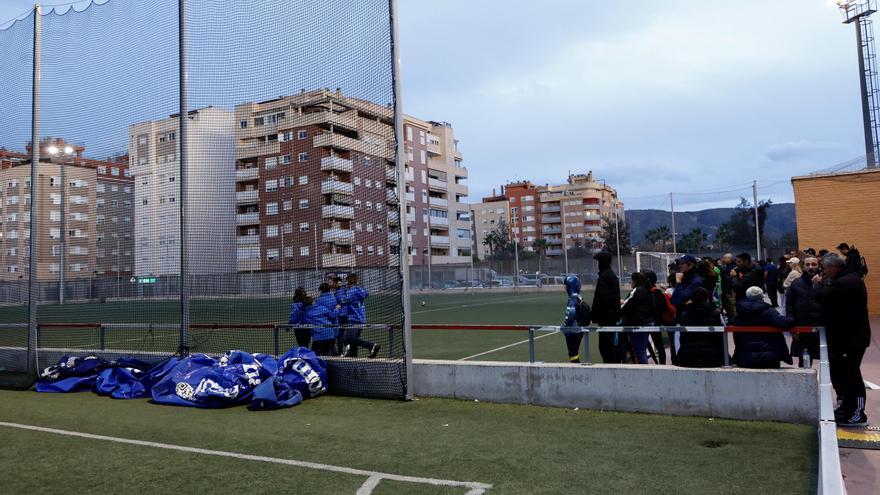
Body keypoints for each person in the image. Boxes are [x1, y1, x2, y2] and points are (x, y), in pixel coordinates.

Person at [813, 253, 871, 427]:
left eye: (824, 268)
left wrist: (817, 285)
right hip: (844, 337)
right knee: (843, 375)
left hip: (851, 339)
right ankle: (847, 407)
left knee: (851, 375)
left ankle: (858, 413)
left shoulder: (847, 282)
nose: (823, 272)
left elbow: (822, 297)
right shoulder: (845, 279)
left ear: (833, 267)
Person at [732, 286, 794, 369]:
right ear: (762, 297)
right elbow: (784, 323)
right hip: (768, 358)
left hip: (744, 358)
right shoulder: (768, 311)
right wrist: (792, 315)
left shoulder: (740, 313)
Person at [676, 287, 725, 368]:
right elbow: (720, 338)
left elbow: (682, 338)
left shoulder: (684, 315)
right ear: (706, 298)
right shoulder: (716, 314)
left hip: (688, 357)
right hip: (712, 358)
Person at [785, 257, 820, 367]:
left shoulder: (824, 282)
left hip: (820, 328)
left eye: (814, 264)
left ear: (818, 266)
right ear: (803, 266)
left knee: (826, 359)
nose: (810, 267)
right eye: (808, 264)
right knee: (804, 360)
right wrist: (792, 326)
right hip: (801, 328)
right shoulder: (796, 283)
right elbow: (789, 305)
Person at [338, 273, 381, 358]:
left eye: (348, 280)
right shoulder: (359, 289)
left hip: (354, 318)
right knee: (353, 340)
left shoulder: (352, 291)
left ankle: (371, 346)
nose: (347, 282)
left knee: (348, 338)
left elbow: (342, 300)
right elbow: (366, 293)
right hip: (360, 318)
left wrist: (339, 292)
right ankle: (352, 356)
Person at [591, 252, 622, 363]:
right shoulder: (610, 275)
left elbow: (602, 300)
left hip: (606, 319)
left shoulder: (605, 277)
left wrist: (594, 315)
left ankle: (611, 370)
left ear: (601, 263)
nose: (597, 264)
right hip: (610, 317)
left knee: (606, 348)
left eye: (598, 262)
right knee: (609, 346)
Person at [620, 272, 655, 364]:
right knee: (641, 351)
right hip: (646, 322)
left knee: (640, 352)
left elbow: (627, 306)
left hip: (638, 324)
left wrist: (620, 308)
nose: (630, 282)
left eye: (631, 280)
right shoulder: (647, 290)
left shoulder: (637, 291)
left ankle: (644, 374)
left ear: (635, 281)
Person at [644, 270, 675, 365]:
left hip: (655, 322)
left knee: (659, 345)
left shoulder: (655, 293)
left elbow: (660, 308)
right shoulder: (654, 292)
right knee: (658, 345)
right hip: (655, 321)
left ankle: (662, 365)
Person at [561, 275, 592, 363]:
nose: (564, 287)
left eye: (565, 284)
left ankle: (577, 370)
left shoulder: (572, 299)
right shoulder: (579, 297)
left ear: (570, 285)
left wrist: (565, 326)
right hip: (579, 329)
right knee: (574, 353)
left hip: (573, 331)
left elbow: (570, 314)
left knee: (573, 354)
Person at [310, 283, 340, 356]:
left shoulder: (319, 300)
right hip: (333, 326)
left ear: (321, 290)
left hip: (322, 327)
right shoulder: (334, 298)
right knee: (331, 346)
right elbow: (334, 312)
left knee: (326, 350)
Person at [720, 253, 737, 319]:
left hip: (730, 290)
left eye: (725, 258)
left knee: (731, 306)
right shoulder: (726, 266)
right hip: (726, 290)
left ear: (729, 259)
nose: (723, 259)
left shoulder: (733, 267)